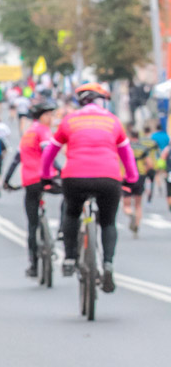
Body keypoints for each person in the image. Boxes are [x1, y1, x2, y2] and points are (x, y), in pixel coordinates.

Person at [40, 82, 138, 292]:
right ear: (102, 102)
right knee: (108, 222)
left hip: (75, 176)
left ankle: (69, 257)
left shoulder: (69, 120)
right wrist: (131, 179)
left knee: (73, 213)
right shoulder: (113, 121)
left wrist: (46, 175)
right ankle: (108, 264)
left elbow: (50, 151)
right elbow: (127, 155)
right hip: (109, 177)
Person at [3, 98, 58, 276]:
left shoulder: (27, 134)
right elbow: (49, 154)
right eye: (48, 115)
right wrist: (62, 171)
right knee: (72, 195)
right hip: (45, 179)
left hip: (29, 183)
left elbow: (16, 160)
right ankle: (65, 231)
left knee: (32, 225)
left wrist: (7, 181)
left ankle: (33, 265)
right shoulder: (43, 131)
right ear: (41, 117)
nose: (51, 119)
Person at [122, 124, 156, 235]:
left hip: (127, 177)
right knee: (138, 204)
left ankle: (130, 214)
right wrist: (144, 172)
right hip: (140, 177)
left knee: (126, 204)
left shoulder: (126, 147)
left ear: (130, 136)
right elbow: (150, 164)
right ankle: (137, 225)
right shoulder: (143, 148)